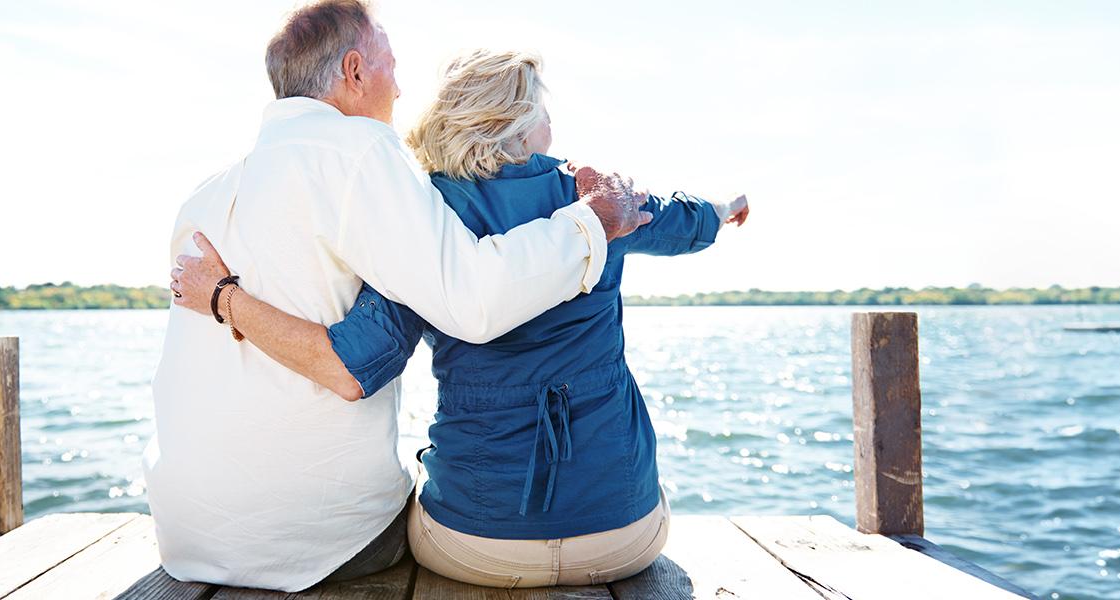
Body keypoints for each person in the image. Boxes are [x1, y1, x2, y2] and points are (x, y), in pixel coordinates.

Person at [170, 49, 750, 588]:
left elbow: (358, 359)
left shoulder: (426, 218)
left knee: (423, 489)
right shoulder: (601, 201)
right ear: (522, 121)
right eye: (544, 110)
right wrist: (726, 210)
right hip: (624, 535)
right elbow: (686, 223)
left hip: (479, 545)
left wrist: (226, 298)